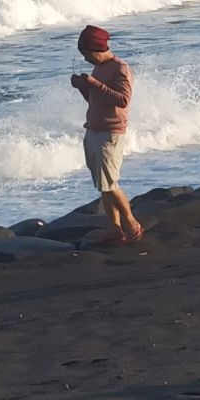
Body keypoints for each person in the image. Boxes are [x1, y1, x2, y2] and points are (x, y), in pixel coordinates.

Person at [70, 24, 144, 244]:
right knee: (102, 184)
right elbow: (96, 99)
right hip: (93, 129)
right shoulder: (98, 69)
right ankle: (115, 228)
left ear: (97, 49)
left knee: (110, 183)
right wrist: (84, 87)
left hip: (111, 133)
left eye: (86, 54)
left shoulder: (120, 68)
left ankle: (132, 223)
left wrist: (93, 83)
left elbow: (123, 100)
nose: (85, 59)